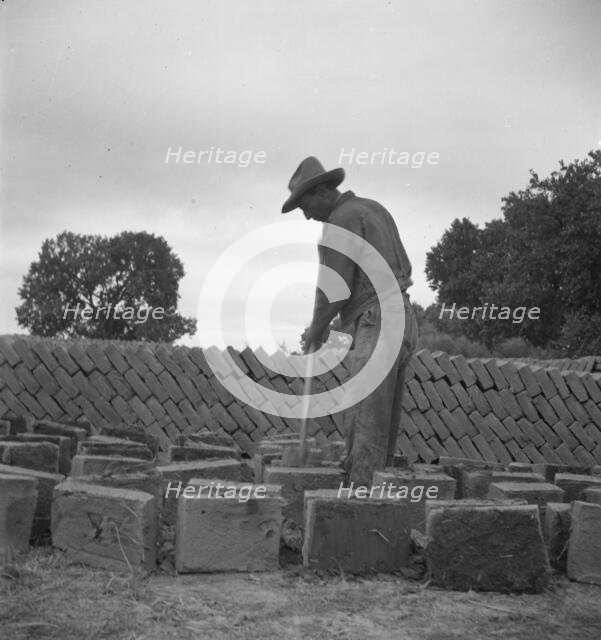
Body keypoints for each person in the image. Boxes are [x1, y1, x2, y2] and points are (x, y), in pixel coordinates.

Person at [281, 156, 419, 486]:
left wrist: (315, 330)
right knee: (382, 427)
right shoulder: (374, 209)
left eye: (305, 203)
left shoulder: (339, 222)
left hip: (378, 321)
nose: (306, 213)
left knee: (365, 423)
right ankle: (378, 511)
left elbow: (334, 289)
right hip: (404, 316)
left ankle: (355, 511)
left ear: (323, 190)